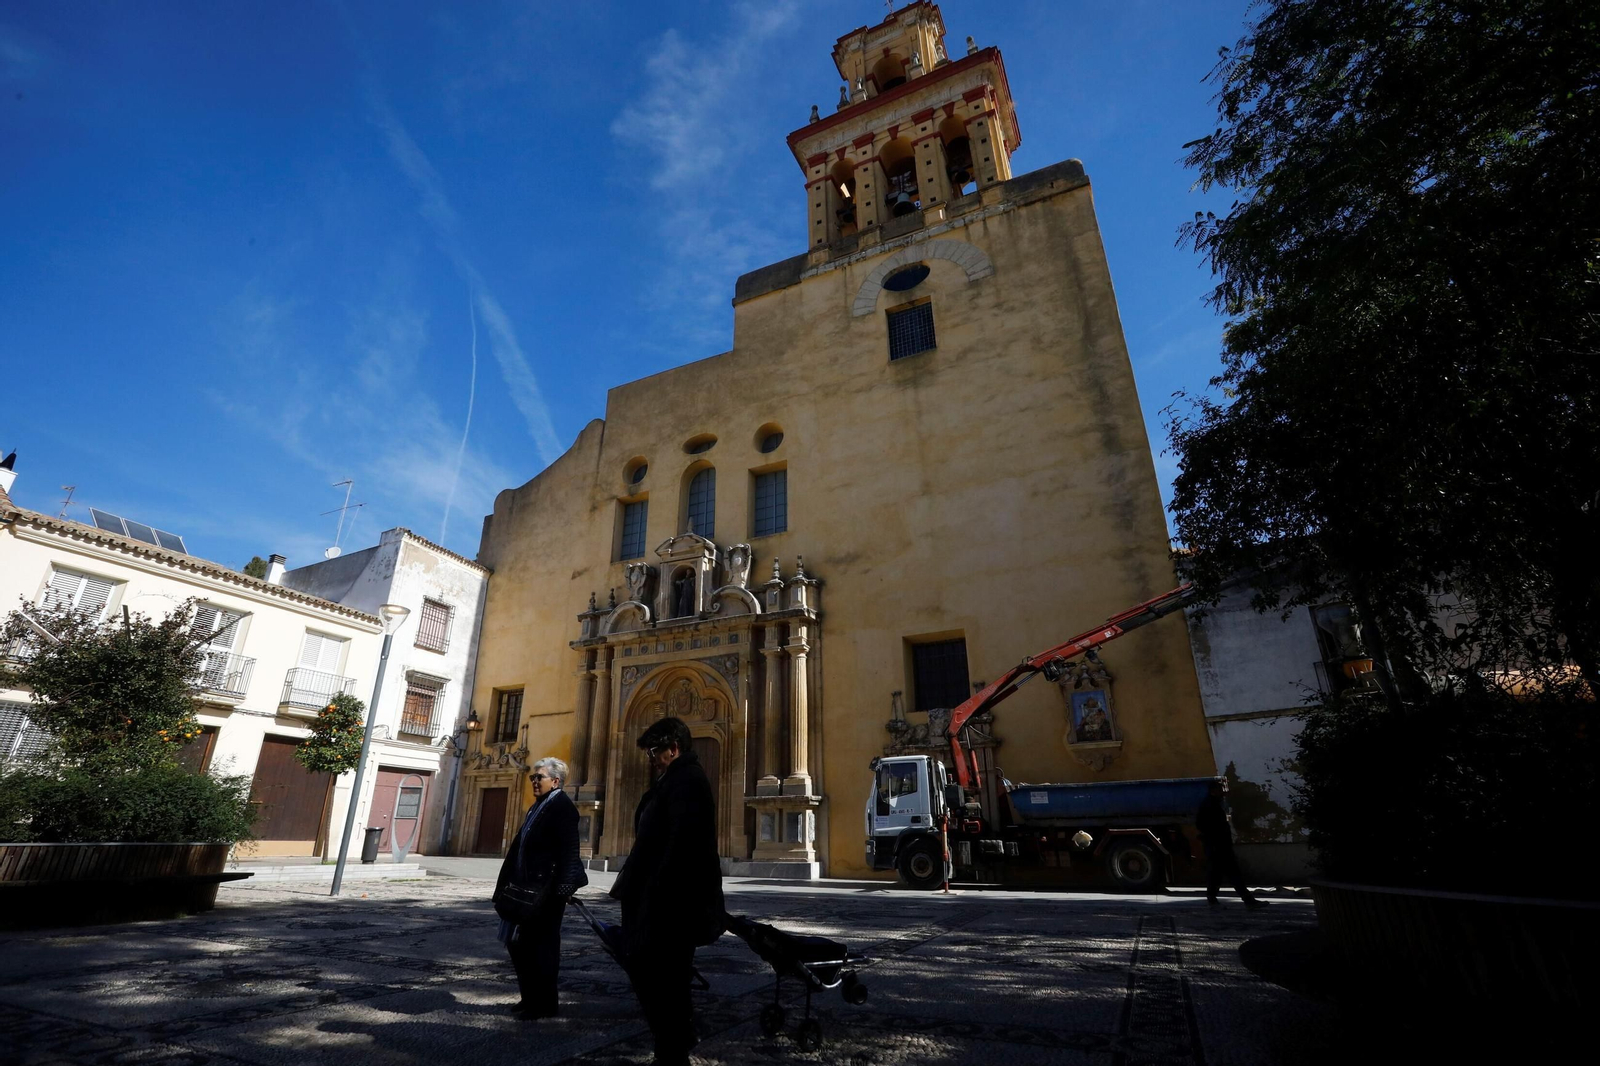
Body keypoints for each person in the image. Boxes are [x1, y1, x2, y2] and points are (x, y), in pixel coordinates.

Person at [610, 716, 724, 1066]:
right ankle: (676, 1038)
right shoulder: (673, 780)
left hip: (669, 905)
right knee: (662, 977)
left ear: (674, 749)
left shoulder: (686, 781)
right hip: (660, 900)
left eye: (655, 751)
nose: (652, 759)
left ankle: (673, 1050)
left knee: (662, 979)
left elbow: (680, 847)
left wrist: (654, 895)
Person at [494, 756, 587, 1019]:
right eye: (533, 777)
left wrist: (565, 886)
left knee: (542, 947)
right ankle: (529, 997)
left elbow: (570, 849)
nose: (534, 781)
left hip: (546, 892)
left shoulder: (562, 807)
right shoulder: (539, 806)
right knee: (519, 944)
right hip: (526, 887)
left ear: (555, 781)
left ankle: (544, 1004)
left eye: (539, 777)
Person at [1197, 780, 1266, 909]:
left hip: (1217, 846)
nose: (1223, 792)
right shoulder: (1210, 805)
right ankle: (1248, 900)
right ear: (1213, 791)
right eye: (1220, 790)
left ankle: (1213, 899)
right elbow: (1204, 825)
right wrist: (1215, 840)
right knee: (1232, 874)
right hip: (1218, 846)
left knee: (1217, 874)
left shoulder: (1212, 804)